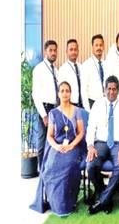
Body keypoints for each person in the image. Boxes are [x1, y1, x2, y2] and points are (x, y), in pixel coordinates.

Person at [30, 82, 85, 216]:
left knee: (70, 166)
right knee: (49, 167)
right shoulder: (53, 113)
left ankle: (68, 203)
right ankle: (54, 203)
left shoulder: (77, 111)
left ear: (70, 93)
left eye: (67, 91)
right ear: (58, 94)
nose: (65, 93)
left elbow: (81, 133)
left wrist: (71, 145)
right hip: (57, 146)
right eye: (62, 91)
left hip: (73, 146)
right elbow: (49, 136)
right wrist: (57, 146)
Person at [86, 76, 119, 214]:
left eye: (114, 89)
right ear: (104, 89)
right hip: (100, 143)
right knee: (90, 165)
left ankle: (102, 201)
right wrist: (90, 146)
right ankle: (105, 197)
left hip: (118, 144)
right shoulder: (97, 105)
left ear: (118, 90)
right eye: (109, 89)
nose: (111, 92)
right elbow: (91, 128)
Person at [32, 40, 60, 166]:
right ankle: (41, 170)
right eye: (50, 50)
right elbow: (35, 94)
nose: (53, 53)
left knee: (53, 141)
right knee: (43, 140)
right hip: (45, 109)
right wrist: (44, 115)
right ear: (45, 52)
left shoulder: (55, 70)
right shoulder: (39, 69)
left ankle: (49, 168)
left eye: (55, 50)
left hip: (55, 108)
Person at [57, 39, 85, 108]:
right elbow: (62, 91)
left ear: (78, 51)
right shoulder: (63, 69)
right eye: (71, 49)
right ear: (66, 52)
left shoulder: (81, 67)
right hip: (70, 105)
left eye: (75, 49)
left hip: (82, 105)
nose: (73, 52)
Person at [82, 34, 106, 109]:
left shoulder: (106, 64)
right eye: (96, 45)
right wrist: (87, 110)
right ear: (92, 47)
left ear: (103, 47)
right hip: (92, 104)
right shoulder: (86, 65)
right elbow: (83, 90)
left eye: (101, 45)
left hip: (105, 103)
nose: (99, 47)